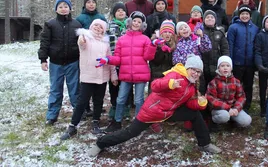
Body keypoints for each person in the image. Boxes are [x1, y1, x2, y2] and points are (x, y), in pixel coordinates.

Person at [87, 55, 222, 157]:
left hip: (169, 113)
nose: (196, 74)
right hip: (151, 113)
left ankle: (205, 144)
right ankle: (100, 143)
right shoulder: (175, 75)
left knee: (195, 114)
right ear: (187, 68)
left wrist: (200, 102)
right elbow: (154, 85)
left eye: (198, 72)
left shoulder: (192, 86)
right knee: (129, 133)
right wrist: (169, 84)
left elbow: (188, 104)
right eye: (193, 70)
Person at [98, 11, 158, 132]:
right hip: (125, 75)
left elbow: (148, 57)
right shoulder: (122, 39)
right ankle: (117, 121)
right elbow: (118, 58)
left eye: (139, 22)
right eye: (134, 21)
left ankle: (138, 122)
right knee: (120, 99)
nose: (136, 23)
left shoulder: (145, 39)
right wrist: (108, 59)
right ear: (130, 22)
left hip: (141, 75)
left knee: (138, 100)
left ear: (142, 25)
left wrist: (152, 45)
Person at [60, 19, 118, 140]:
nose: (98, 28)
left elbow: (110, 60)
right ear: (91, 26)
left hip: (102, 76)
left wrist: (114, 76)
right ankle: (72, 126)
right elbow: (82, 44)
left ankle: (95, 122)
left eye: (101, 27)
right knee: (82, 101)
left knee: (98, 101)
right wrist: (82, 40)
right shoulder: (85, 37)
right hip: (88, 76)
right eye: (96, 25)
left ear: (104, 30)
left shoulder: (105, 43)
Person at [38, 0, 81, 126]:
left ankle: (78, 112)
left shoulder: (76, 24)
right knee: (55, 89)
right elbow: (44, 42)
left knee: (74, 89)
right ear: (56, 9)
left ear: (70, 8)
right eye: (60, 6)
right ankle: (52, 115)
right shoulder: (50, 24)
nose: (63, 9)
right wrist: (43, 59)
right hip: (56, 63)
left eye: (66, 6)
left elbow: (82, 43)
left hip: (73, 62)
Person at [227, 5, 259, 112]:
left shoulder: (254, 28)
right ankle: (234, 104)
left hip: (249, 63)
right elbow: (230, 45)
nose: (244, 16)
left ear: (250, 16)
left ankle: (247, 105)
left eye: (247, 14)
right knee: (236, 85)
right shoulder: (233, 27)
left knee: (248, 85)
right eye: (242, 14)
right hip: (237, 62)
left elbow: (256, 46)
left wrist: (255, 62)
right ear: (239, 15)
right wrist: (230, 62)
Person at [206, 56, 251, 130]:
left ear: (231, 68)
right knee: (224, 116)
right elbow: (211, 99)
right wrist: (227, 108)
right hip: (219, 109)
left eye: (228, 65)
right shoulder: (213, 82)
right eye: (222, 66)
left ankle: (232, 120)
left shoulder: (236, 81)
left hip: (232, 108)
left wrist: (236, 108)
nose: (225, 68)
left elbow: (241, 97)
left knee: (247, 121)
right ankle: (214, 121)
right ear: (218, 68)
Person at [148, 20, 177, 133]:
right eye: (165, 32)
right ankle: (154, 121)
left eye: (170, 32)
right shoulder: (155, 44)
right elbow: (155, 60)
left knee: (167, 99)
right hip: (156, 75)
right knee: (154, 99)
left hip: (168, 76)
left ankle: (166, 116)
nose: (167, 34)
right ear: (161, 33)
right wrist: (161, 48)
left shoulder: (174, 45)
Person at [106, 2, 130, 122]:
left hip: (127, 60)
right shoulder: (109, 26)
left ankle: (126, 106)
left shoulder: (130, 25)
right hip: (114, 60)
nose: (121, 12)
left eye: (123, 10)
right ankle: (114, 105)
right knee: (114, 84)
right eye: (118, 10)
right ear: (114, 13)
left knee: (127, 84)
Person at [201, 10, 229, 93]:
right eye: (207, 17)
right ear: (204, 19)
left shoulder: (220, 33)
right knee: (203, 88)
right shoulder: (200, 32)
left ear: (215, 19)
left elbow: (225, 49)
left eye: (212, 17)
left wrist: (225, 62)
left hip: (216, 65)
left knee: (215, 88)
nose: (210, 19)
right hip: (203, 66)